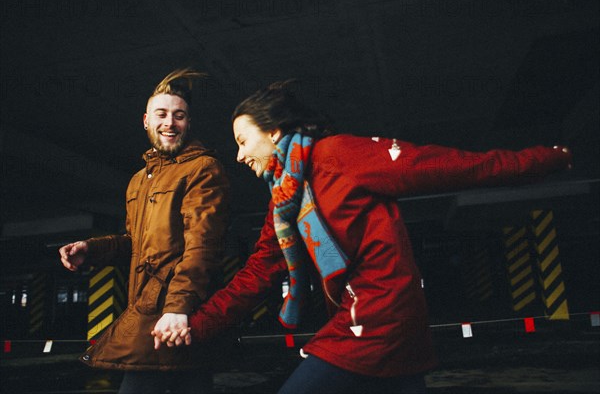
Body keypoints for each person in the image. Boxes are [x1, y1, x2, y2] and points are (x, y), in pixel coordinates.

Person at [152, 81, 572, 393]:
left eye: (243, 141)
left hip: (380, 321)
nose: (240, 155)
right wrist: (197, 323)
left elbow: (451, 166)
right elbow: (259, 270)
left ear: (275, 132)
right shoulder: (284, 200)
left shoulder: (338, 155)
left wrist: (545, 160)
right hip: (371, 325)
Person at [59, 68, 229, 394]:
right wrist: (92, 249)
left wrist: (178, 308)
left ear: (188, 124)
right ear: (146, 121)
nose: (170, 123)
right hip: (151, 315)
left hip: (179, 317)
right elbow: (137, 245)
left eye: (179, 116)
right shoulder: (139, 180)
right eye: (162, 114)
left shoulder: (202, 169)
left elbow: (202, 245)